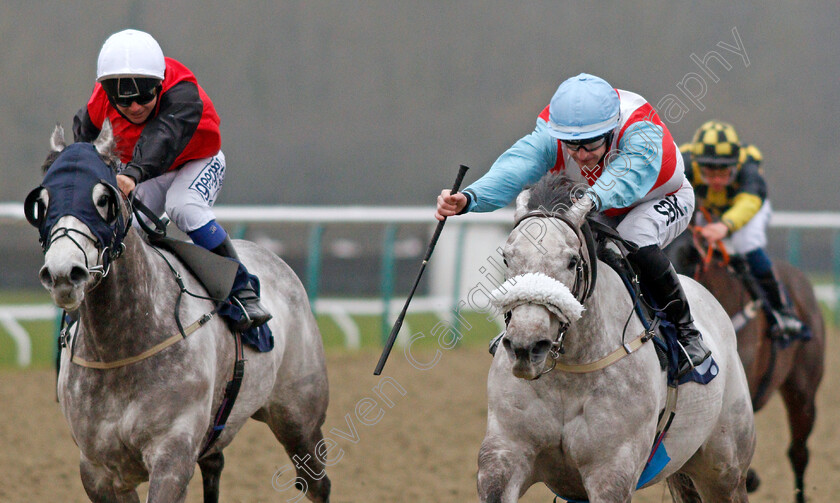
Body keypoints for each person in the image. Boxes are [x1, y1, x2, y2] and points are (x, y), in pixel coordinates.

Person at [436, 73, 709, 376]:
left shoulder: (639, 124)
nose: (580, 155)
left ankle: (686, 331)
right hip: (594, 203)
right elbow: (516, 165)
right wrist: (470, 197)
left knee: (633, 235)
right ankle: (526, 327)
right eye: (572, 146)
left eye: (590, 145)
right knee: (550, 245)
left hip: (658, 198)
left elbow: (624, 179)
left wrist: (583, 206)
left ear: (610, 131)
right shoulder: (555, 129)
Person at [73, 29, 271, 331]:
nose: (135, 108)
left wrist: (131, 174)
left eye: (144, 97)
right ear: (109, 93)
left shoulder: (182, 92)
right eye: (124, 102)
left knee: (185, 207)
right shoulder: (99, 102)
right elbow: (81, 150)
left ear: (159, 85)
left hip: (198, 160)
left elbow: (160, 139)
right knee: (125, 224)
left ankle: (242, 290)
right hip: (147, 170)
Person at [681, 120, 803, 336]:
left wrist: (725, 226)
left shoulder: (748, 166)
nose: (717, 179)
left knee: (745, 243)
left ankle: (782, 309)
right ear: (698, 164)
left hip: (746, 208)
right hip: (707, 208)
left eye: (723, 171)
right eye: (709, 171)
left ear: (735, 165)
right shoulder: (684, 162)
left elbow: (749, 202)